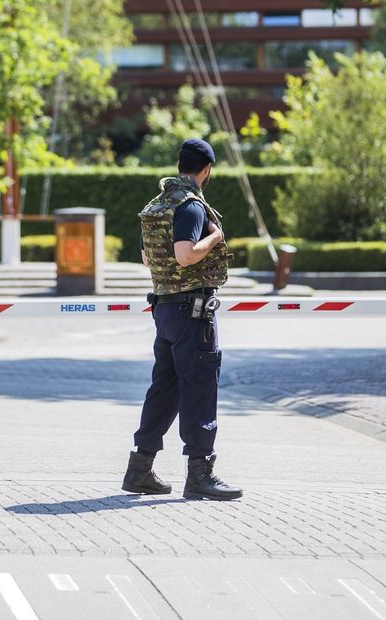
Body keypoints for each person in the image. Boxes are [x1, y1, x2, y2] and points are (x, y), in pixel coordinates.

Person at [121, 138, 243, 501]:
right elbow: (186, 255)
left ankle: (140, 469)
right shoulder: (190, 206)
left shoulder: (156, 206)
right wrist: (216, 236)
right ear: (206, 169)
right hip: (192, 312)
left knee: (165, 388)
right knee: (200, 388)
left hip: (165, 308)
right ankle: (200, 473)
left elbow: (149, 259)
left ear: (180, 165)